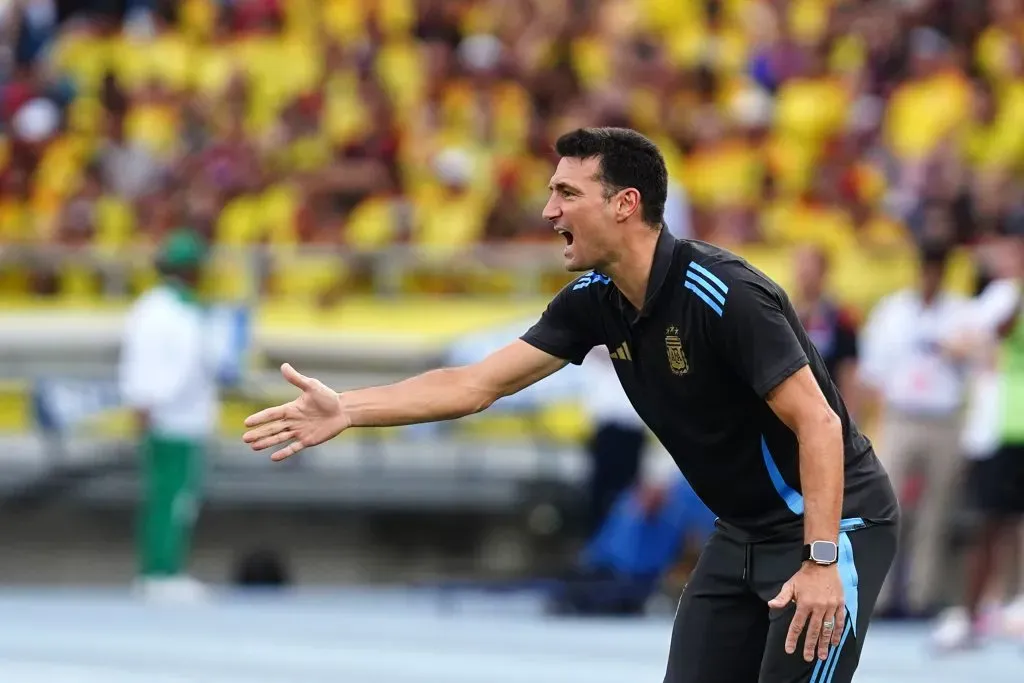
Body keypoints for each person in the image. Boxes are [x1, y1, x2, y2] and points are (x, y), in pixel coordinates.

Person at [242, 127, 899, 683]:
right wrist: (349, 408)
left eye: (566, 193)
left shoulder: (724, 292)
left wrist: (819, 561)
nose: (548, 210)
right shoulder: (594, 301)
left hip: (833, 526)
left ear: (625, 205)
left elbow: (818, 420)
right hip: (742, 533)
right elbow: (477, 384)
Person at [857, 240, 971, 618]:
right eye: (927, 268)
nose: (931, 276)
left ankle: (922, 595)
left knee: (936, 512)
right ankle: (884, 595)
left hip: (944, 418)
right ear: (919, 270)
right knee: (888, 507)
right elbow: (871, 368)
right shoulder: (894, 311)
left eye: (937, 269)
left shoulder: (960, 313)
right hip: (901, 415)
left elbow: (975, 365)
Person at [119, 228, 217, 602]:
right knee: (170, 500)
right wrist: (147, 402)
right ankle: (160, 572)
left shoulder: (168, 308)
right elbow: (164, 366)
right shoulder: (166, 311)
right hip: (172, 417)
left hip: (180, 415)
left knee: (174, 499)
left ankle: (163, 569)